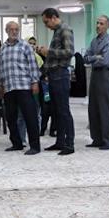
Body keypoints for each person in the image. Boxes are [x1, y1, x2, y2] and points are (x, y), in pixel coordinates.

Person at [0, 19, 41, 155]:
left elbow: (33, 65)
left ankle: (35, 146)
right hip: (9, 88)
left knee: (30, 117)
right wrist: (1, 85)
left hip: (24, 87)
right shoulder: (3, 48)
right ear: (6, 31)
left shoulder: (25, 46)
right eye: (11, 29)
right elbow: (1, 67)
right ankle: (16, 143)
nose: (14, 32)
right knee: (11, 117)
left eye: (16, 29)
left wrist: (35, 82)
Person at [37, 8, 75, 155]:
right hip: (53, 75)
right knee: (57, 111)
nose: (46, 25)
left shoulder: (65, 29)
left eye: (46, 22)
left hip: (61, 74)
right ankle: (60, 142)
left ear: (53, 17)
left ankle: (69, 144)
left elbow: (69, 52)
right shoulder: (57, 31)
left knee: (64, 111)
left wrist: (48, 52)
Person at [83, 14, 109, 150]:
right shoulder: (94, 41)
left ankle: (108, 141)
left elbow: (106, 61)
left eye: (101, 23)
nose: (98, 26)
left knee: (104, 108)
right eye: (97, 23)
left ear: (108, 26)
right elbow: (85, 58)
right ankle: (97, 139)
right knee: (93, 107)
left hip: (104, 75)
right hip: (94, 75)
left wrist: (94, 58)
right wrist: (96, 57)